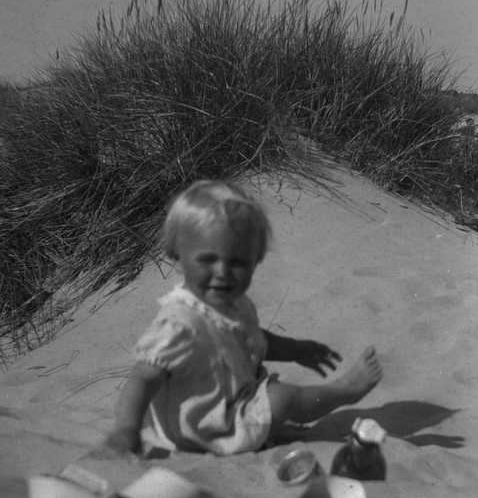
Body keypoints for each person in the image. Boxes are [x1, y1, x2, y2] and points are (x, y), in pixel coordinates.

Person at [97, 180, 383, 458]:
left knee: (274, 396)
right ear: (177, 256)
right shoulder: (179, 323)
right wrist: (127, 429)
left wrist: (295, 349)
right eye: (207, 259)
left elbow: (250, 338)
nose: (222, 272)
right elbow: (143, 377)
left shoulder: (233, 303)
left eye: (237, 262)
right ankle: (343, 391)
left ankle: (265, 431)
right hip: (203, 428)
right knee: (283, 399)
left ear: (255, 260)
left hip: (233, 398)